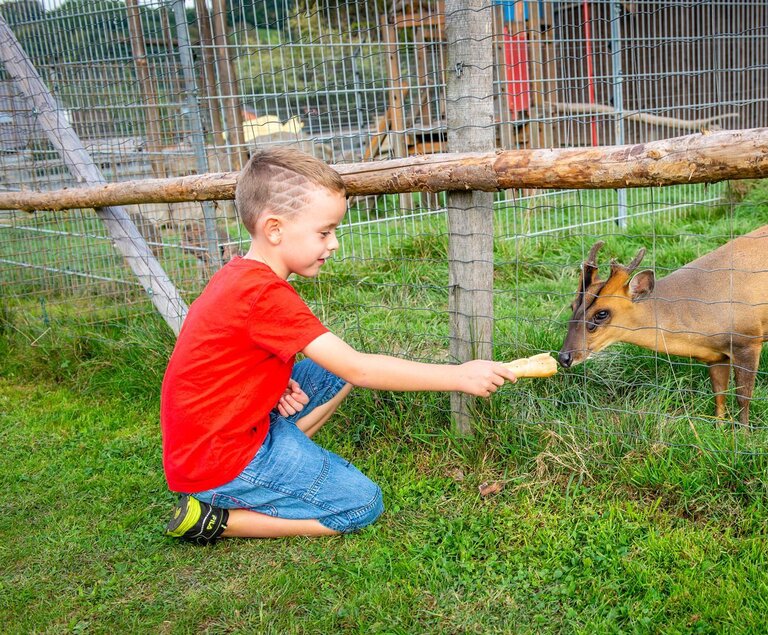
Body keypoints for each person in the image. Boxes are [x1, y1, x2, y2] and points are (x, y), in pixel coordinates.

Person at [161, 146, 516, 544]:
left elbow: (231, 365)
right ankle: (218, 519)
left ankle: (282, 461)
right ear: (274, 229)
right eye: (324, 232)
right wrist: (459, 376)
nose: (334, 244)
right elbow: (358, 369)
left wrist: (273, 384)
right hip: (219, 461)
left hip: (212, 441)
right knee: (361, 504)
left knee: (327, 370)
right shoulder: (264, 295)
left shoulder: (241, 276)